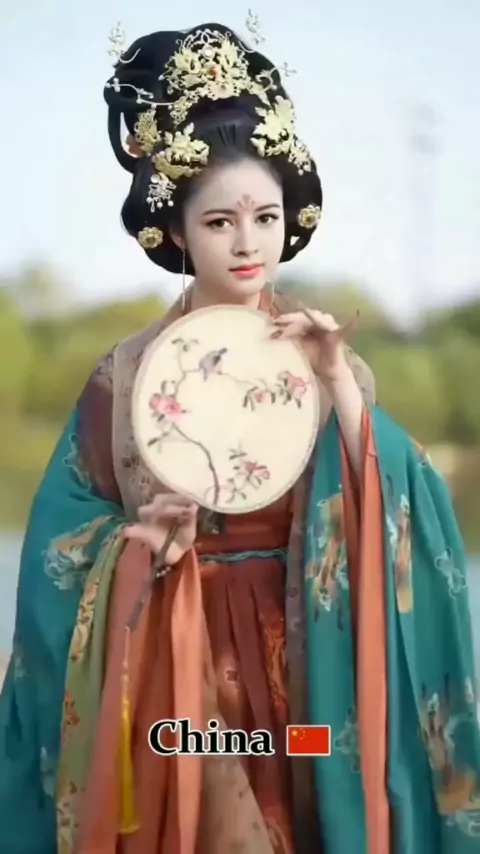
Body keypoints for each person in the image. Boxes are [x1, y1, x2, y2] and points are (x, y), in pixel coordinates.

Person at [0, 19, 479, 854]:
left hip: (311, 667)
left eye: (265, 215)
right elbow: (58, 554)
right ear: (180, 231)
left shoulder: (329, 364)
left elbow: (403, 511)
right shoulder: (126, 377)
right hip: (179, 664)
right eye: (220, 221)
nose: (248, 241)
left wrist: (339, 388)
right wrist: (138, 548)